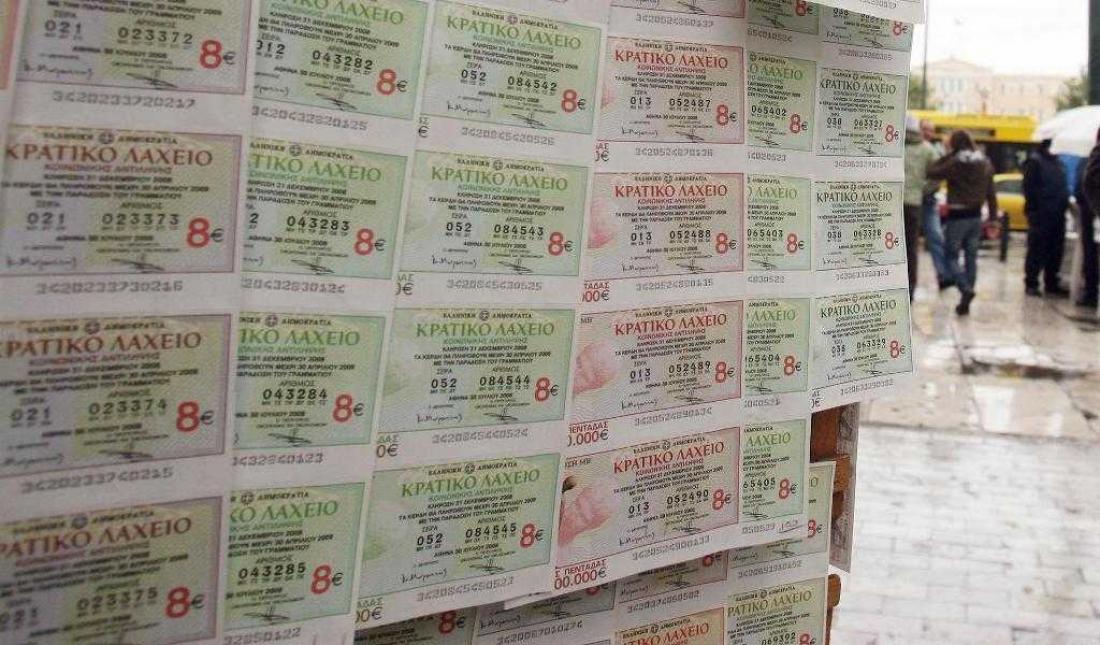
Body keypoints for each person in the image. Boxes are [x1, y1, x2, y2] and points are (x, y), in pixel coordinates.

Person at [927, 130, 998, 316]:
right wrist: (993, 219)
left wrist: (949, 155)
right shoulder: (985, 162)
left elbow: (932, 171)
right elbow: (991, 194)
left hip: (957, 216)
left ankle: (965, 288)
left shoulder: (956, 162)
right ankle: (966, 301)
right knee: (971, 258)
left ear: (955, 144)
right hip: (976, 218)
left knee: (950, 256)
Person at [1022, 139, 1070, 297]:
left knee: (1056, 250)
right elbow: (1029, 189)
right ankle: (1031, 282)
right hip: (1041, 215)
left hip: (1058, 214)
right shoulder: (1035, 162)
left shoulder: (1058, 163)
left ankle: (1051, 281)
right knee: (1037, 249)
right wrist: (1034, 211)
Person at [904, 116, 938, 299]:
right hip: (914, 204)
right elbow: (937, 177)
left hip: (891, 203)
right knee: (911, 248)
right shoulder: (928, 149)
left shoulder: (894, 146)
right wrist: (921, 190)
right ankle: (910, 288)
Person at [920, 119, 952, 288]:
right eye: (925, 129)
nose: (928, 133)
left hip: (928, 200)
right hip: (911, 200)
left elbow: (937, 178)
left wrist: (921, 190)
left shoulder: (934, 152)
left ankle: (943, 275)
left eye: (931, 130)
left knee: (936, 237)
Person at [1080, 128, 1100, 308]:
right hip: (1095, 217)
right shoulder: (1097, 153)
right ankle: (1090, 294)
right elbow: (1089, 183)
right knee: (1092, 256)